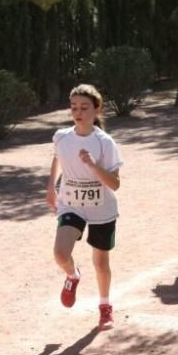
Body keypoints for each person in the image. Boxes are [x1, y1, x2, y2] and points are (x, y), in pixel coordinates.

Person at [47, 84, 123, 330]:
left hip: (102, 207)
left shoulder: (105, 142)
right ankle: (72, 275)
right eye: (74, 107)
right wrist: (51, 187)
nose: (78, 112)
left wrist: (92, 165)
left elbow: (115, 183)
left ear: (97, 109)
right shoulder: (62, 136)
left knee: (101, 263)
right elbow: (57, 158)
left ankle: (105, 306)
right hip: (71, 203)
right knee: (60, 254)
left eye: (84, 107)